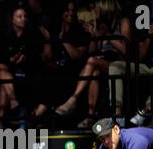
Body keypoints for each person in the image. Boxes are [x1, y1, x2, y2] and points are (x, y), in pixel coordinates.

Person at [54, 0, 132, 129]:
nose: (94, 11)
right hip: (99, 60)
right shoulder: (99, 23)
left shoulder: (122, 22)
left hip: (118, 62)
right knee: (94, 71)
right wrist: (94, 36)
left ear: (105, 8)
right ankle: (90, 116)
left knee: (91, 62)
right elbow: (92, 51)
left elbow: (126, 50)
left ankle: (73, 99)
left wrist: (107, 35)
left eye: (96, 8)